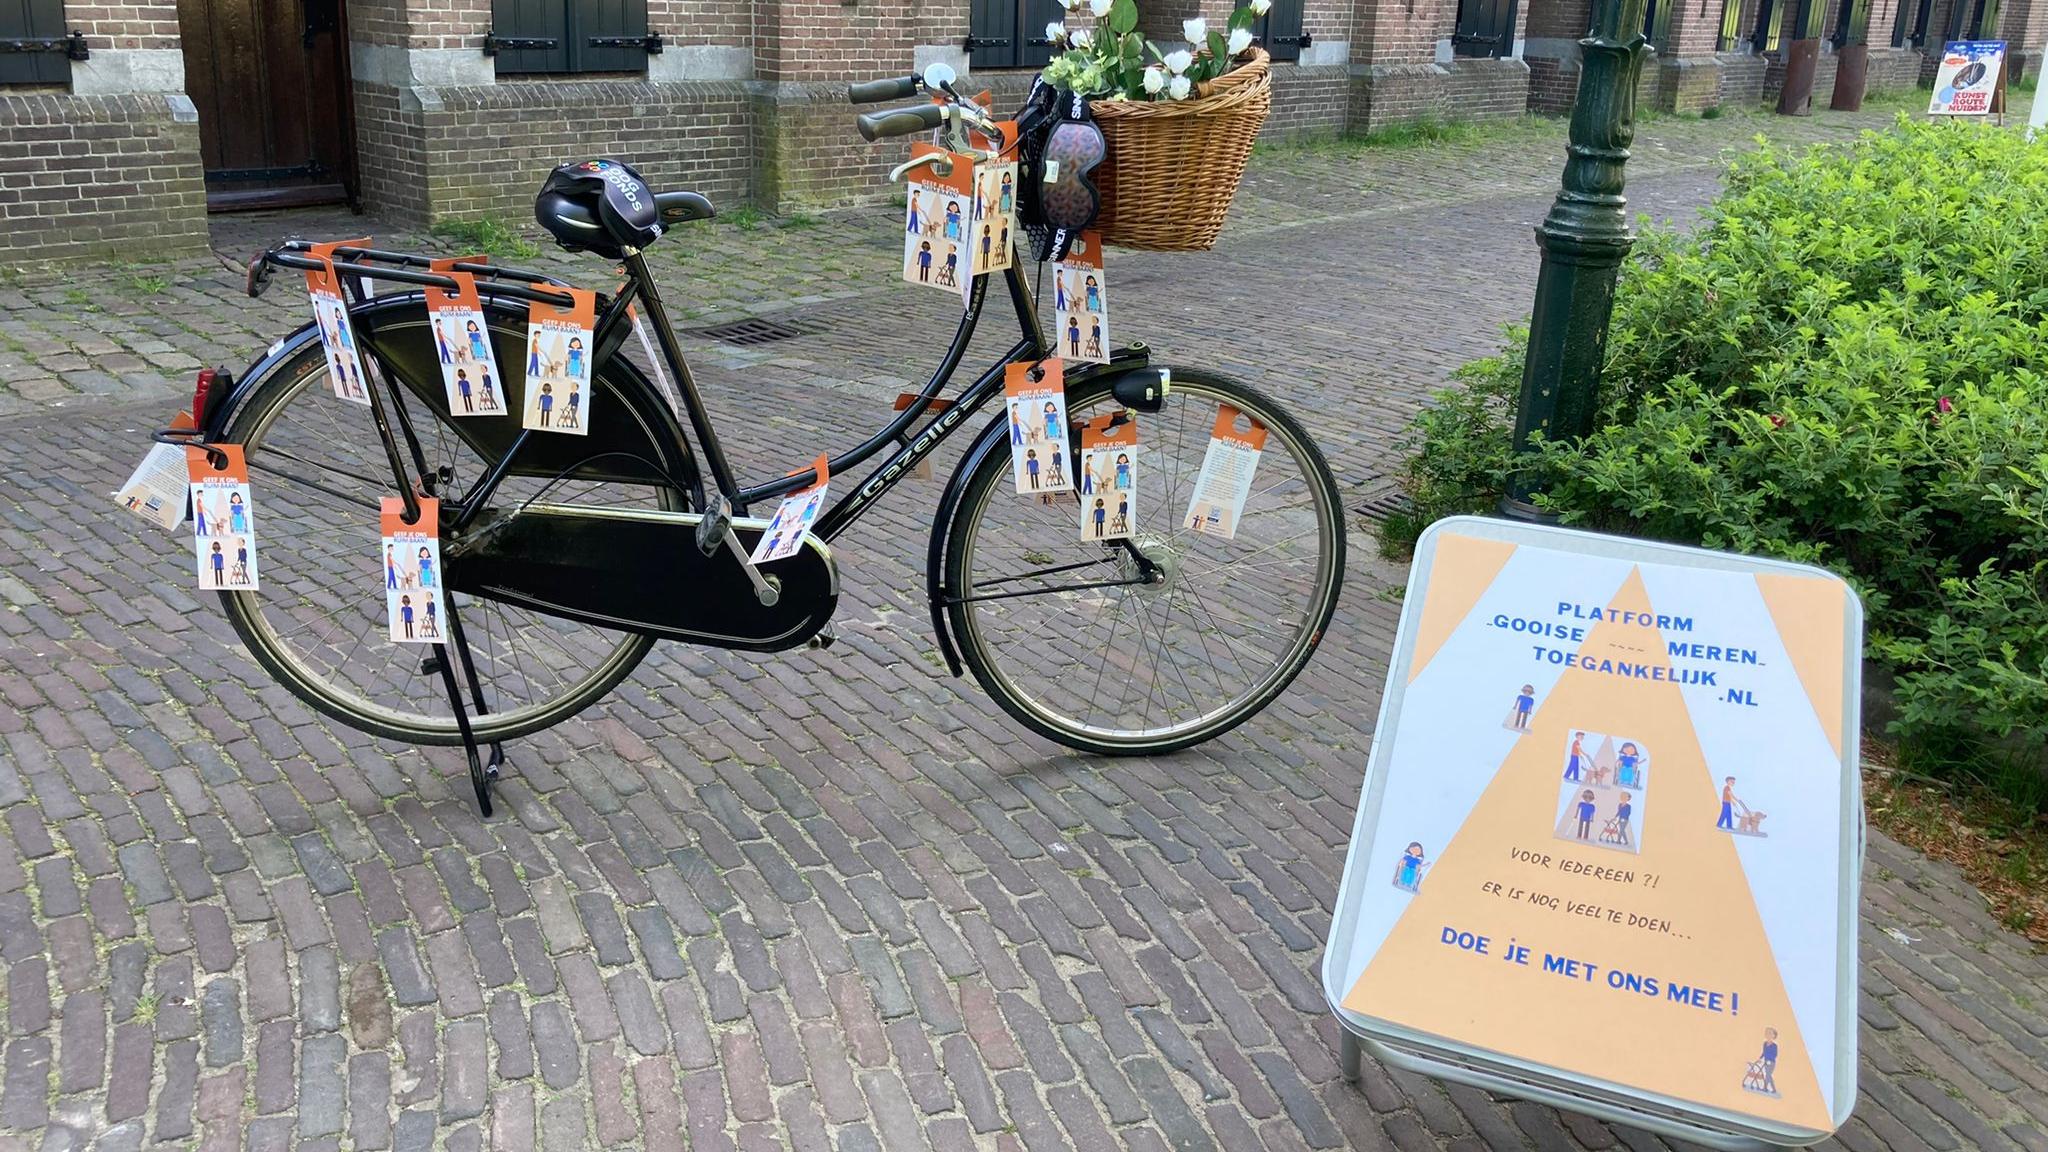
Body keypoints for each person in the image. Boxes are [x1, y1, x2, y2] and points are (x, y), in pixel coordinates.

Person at [1758, 1029, 1778, 1094]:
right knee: (1768, 1075)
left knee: (1768, 1075)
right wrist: (1760, 1058)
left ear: (1773, 1036)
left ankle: (1766, 1088)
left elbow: (1775, 1055)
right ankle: (1770, 1089)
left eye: (1770, 1033)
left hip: (1771, 1063)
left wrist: (1769, 1060)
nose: (1768, 1035)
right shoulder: (1764, 1043)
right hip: (1766, 1062)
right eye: (1767, 1033)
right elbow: (1764, 1052)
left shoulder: (1774, 1046)